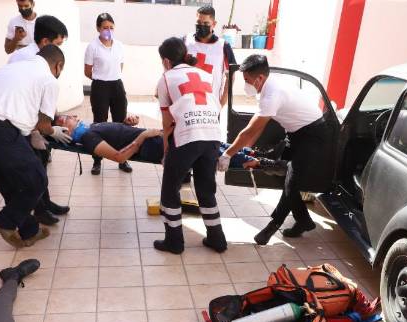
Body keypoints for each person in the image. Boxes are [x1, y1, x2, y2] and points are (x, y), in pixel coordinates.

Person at [221, 54, 328, 245]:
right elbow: (254, 132)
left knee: (290, 182)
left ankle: (271, 227)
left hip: (313, 134)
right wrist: (244, 151)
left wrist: (228, 154)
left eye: (247, 81)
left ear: (260, 78)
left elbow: (251, 130)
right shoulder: (268, 87)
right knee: (283, 177)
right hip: (295, 132)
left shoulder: (273, 94)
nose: (246, 85)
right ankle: (304, 221)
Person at [0, 45, 70, 248]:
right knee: (37, 179)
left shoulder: (13, 67)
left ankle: (29, 230)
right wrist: (54, 131)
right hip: (2, 129)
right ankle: (4, 221)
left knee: (9, 181)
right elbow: (44, 125)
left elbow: (19, 106)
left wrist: (30, 132)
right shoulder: (49, 80)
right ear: (58, 65)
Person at [154, 37, 227, 254]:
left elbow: (167, 122)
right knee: (206, 189)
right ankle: (217, 239)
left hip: (187, 136)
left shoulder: (166, 77)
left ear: (166, 61)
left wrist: (166, 148)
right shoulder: (205, 74)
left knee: (170, 189)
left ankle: (174, 242)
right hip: (212, 135)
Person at [7, 15, 71, 226]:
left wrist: (53, 119)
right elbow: (22, 98)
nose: (59, 49)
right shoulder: (23, 58)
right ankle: (38, 210)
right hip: (23, 124)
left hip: (38, 121)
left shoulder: (44, 58)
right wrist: (38, 130)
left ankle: (45, 203)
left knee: (42, 162)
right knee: (32, 168)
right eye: (57, 43)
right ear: (45, 41)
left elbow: (45, 93)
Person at [55, 114, 265, 169]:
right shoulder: (89, 138)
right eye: (68, 119)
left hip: (152, 138)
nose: (74, 117)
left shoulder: (91, 129)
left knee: (207, 142)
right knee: (204, 148)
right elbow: (120, 157)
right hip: (151, 145)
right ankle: (250, 162)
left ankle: (253, 154)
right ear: (66, 130)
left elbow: (117, 136)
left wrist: (126, 124)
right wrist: (142, 135)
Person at [84, 13, 132, 176]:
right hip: (100, 86)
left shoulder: (119, 45)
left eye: (111, 28)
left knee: (121, 123)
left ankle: (123, 159)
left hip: (117, 85)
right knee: (99, 123)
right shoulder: (92, 46)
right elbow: (87, 71)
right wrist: (101, 80)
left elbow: (121, 66)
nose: (108, 31)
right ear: (98, 28)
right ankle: (97, 161)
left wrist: (112, 77)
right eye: (105, 27)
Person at [186, 5, 236, 108]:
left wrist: (222, 103)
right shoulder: (186, 41)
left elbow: (231, 75)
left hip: (211, 105)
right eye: (199, 22)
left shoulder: (223, 46)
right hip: (187, 102)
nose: (201, 26)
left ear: (214, 24)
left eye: (206, 23)